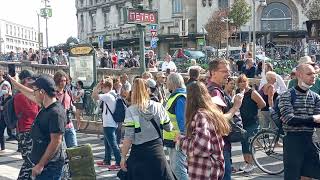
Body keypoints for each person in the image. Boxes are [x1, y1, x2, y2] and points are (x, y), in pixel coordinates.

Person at [9, 74, 67, 180]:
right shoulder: (46, 104)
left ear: (42, 92)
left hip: (49, 167)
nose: (33, 92)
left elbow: (56, 142)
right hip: (41, 164)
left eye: (35, 90)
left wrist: (40, 164)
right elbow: (30, 94)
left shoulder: (56, 113)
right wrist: (16, 84)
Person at [120, 78, 176, 180]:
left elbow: (128, 137)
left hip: (139, 154)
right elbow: (168, 127)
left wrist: (123, 157)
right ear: (148, 90)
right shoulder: (158, 106)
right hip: (157, 152)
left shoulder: (131, 110)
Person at [179, 82, 230, 180]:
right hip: (212, 168)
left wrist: (181, 140)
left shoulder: (200, 115)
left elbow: (201, 146)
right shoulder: (210, 112)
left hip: (204, 169)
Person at [279, 63, 320, 180]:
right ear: (299, 75)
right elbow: (289, 119)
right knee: (293, 176)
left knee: (309, 176)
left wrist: (308, 120)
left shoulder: (316, 97)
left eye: (314, 74)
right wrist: (312, 118)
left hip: (310, 139)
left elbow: (317, 122)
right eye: (309, 74)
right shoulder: (287, 95)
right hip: (293, 141)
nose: (313, 76)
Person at [207, 58, 243, 180]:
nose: (228, 74)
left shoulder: (213, 90)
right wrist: (235, 106)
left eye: (229, 71)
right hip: (219, 145)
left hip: (218, 144)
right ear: (213, 72)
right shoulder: (215, 92)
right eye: (224, 71)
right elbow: (219, 119)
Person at [237, 74, 266, 172]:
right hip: (242, 122)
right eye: (240, 82)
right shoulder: (238, 92)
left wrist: (254, 110)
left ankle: (251, 164)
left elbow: (262, 104)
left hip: (252, 121)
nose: (242, 83)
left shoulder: (252, 92)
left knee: (249, 142)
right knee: (244, 143)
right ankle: (246, 162)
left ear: (247, 82)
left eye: (244, 81)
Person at [92, 78, 121, 170]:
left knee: (113, 144)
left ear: (107, 87)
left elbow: (94, 95)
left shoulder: (108, 96)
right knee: (107, 144)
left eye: (103, 87)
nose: (101, 89)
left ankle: (119, 162)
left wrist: (97, 86)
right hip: (110, 123)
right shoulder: (113, 94)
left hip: (109, 124)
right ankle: (107, 160)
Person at [15, 70, 40, 180]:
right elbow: (33, 113)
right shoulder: (20, 96)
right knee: (30, 162)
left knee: (30, 162)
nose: (34, 82)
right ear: (26, 80)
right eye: (32, 79)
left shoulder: (31, 94)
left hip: (32, 131)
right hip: (26, 132)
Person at [164, 73, 188, 180]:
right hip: (174, 138)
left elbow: (182, 119)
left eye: (167, 81)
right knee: (175, 169)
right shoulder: (176, 97)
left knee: (178, 169)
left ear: (172, 83)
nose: (166, 83)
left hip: (177, 139)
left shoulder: (179, 98)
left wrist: (182, 136)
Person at [54, 71, 78, 148]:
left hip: (69, 124)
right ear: (57, 81)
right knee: (61, 151)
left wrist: (73, 110)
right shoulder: (53, 94)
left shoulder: (68, 91)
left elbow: (71, 104)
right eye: (61, 80)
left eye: (64, 81)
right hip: (58, 126)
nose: (63, 83)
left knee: (74, 149)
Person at [0, 83, 12, 152]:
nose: (4, 89)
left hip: (9, 117)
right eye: (3, 88)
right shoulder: (1, 97)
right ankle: (2, 147)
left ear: (8, 89)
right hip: (2, 117)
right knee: (1, 132)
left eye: (5, 88)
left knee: (13, 133)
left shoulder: (10, 98)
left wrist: (3, 107)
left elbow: (10, 107)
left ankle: (20, 147)